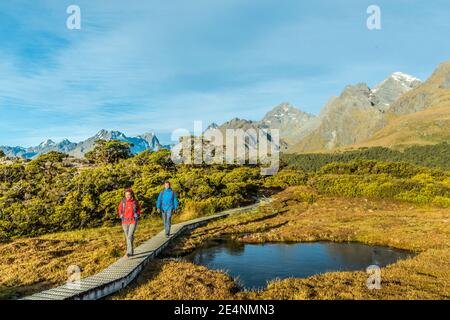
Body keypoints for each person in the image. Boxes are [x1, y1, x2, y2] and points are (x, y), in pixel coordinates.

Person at [118, 188, 141, 258]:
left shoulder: (135, 202)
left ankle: (129, 252)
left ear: (132, 195)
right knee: (128, 237)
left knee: (129, 236)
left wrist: (137, 214)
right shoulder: (123, 202)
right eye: (126, 194)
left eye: (129, 194)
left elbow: (139, 210)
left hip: (133, 221)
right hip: (124, 221)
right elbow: (119, 209)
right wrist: (120, 215)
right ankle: (131, 251)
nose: (127, 196)